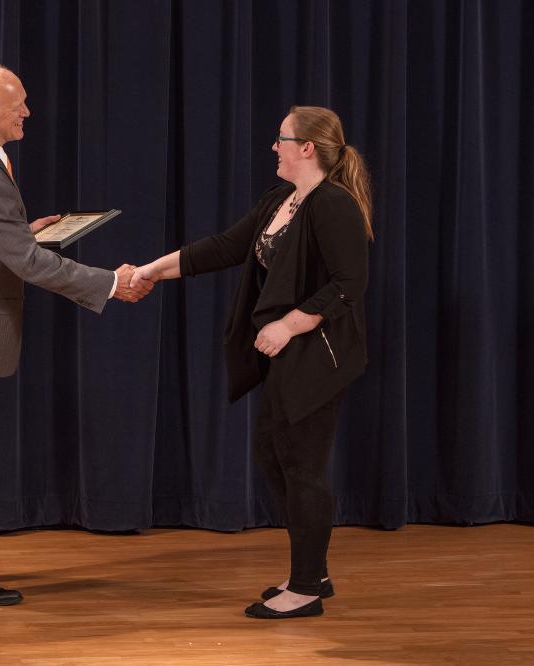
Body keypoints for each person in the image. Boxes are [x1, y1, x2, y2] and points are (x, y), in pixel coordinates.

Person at [0, 62, 152, 607]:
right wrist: (111, 283)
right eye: (17, 107)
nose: (28, 113)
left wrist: (20, 233)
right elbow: (30, 264)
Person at [132, 106, 372, 619]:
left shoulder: (333, 203)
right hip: (289, 353)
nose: (273, 147)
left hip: (318, 352)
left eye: (281, 138)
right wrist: (150, 271)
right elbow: (224, 247)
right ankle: (314, 571)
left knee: (301, 464)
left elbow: (349, 284)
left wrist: (289, 324)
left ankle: (305, 589)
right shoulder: (280, 200)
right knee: (272, 454)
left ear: (307, 147)